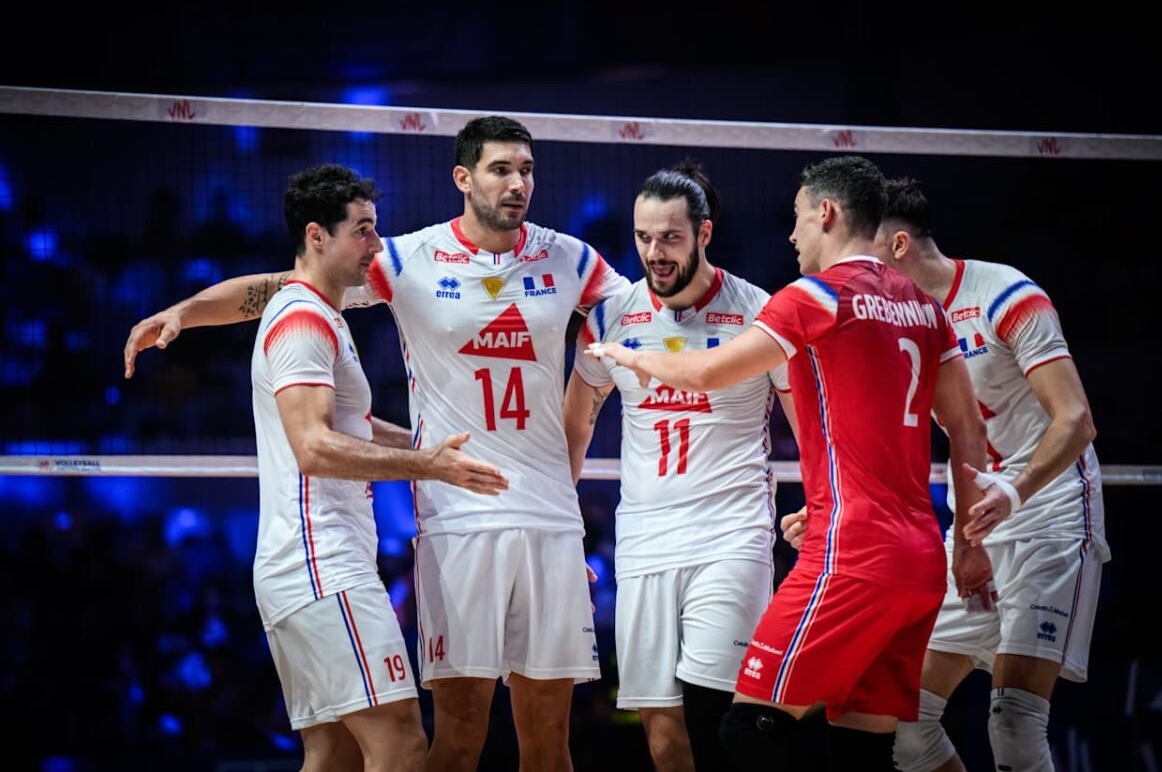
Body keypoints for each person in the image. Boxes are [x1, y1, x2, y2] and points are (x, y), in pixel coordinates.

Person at [124, 117, 629, 771]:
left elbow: (641, 314)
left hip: (536, 519)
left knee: (521, 737)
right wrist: (187, 312)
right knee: (436, 737)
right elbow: (283, 288)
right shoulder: (385, 271)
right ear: (464, 177)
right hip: (426, 530)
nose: (517, 182)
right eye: (501, 168)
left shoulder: (571, 257)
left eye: (526, 169)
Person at [588, 155, 1013, 772]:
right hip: (922, 555)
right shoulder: (926, 308)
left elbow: (707, 372)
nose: (791, 235)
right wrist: (969, 542)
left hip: (850, 552)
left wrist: (628, 357)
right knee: (863, 750)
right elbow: (969, 430)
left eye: (797, 218)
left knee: (748, 728)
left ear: (827, 213)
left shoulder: (810, 296)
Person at [244, 163, 507, 771]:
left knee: (332, 753)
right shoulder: (303, 319)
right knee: (402, 741)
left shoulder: (319, 314)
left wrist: (439, 447)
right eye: (362, 231)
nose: (375, 246)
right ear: (317, 236)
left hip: (306, 569)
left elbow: (349, 429)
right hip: (321, 565)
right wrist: (427, 466)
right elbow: (313, 446)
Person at [563, 162, 799, 772]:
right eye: (644, 237)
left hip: (732, 535)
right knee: (663, 735)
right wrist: (564, 525)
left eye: (670, 237)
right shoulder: (613, 315)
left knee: (721, 715)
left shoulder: (759, 312)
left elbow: (809, 429)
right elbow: (578, 420)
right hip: (644, 539)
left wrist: (822, 507)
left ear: (704, 234)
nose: (654, 252)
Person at [872, 177, 1108, 772]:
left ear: (898, 245)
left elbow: (1076, 419)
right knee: (905, 723)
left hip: (1049, 513)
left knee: (1013, 723)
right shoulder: (898, 324)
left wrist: (1013, 490)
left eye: (861, 246)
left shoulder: (1005, 294)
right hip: (978, 525)